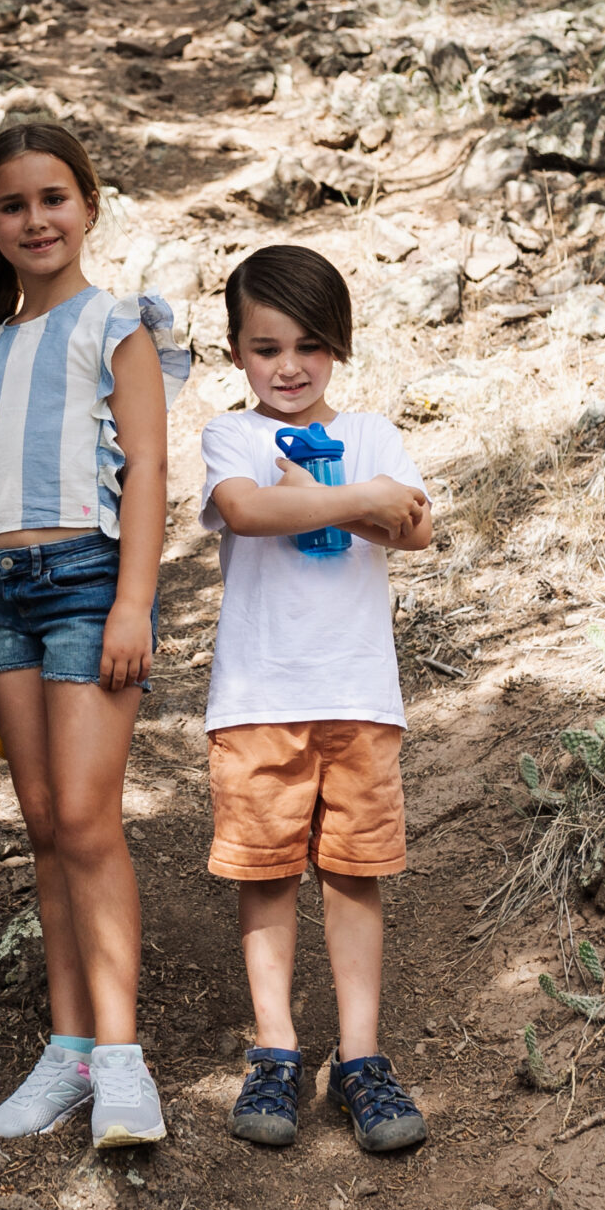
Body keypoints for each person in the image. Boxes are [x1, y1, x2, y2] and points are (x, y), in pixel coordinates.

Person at [0, 123, 189, 1149]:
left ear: (88, 204)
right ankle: (69, 1048)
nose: (35, 219)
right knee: (42, 826)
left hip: (87, 586)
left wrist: (134, 602)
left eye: (54, 198)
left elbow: (147, 474)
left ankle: (125, 1060)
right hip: (3, 601)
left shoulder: (116, 324)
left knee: (89, 820)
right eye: (12, 204)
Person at [199, 243, 433, 1156]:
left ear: (337, 345)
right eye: (264, 348)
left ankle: (361, 1059)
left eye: (309, 345)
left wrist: (363, 496)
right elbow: (249, 511)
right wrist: (360, 501)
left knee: (353, 871)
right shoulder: (233, 437)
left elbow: (416, 528)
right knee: (264, 874)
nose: (288, 367)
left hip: (359, 695)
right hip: (258, 695)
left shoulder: (372, 433)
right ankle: (275, 1050)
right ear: (234, 352)